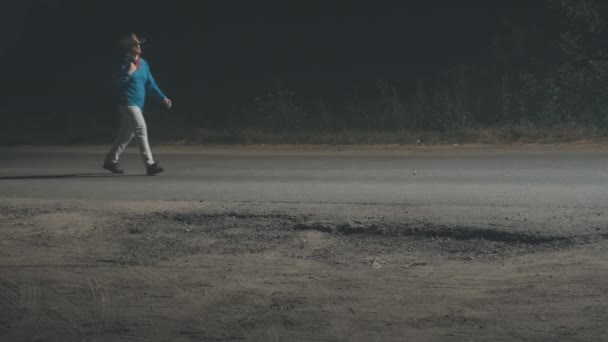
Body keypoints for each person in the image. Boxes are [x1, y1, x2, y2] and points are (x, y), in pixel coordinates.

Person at [103, 33, 172, 176]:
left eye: (138, 44)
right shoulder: (122, 64)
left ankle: (110, 161)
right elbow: (115, 85)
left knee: (126, 135)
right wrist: (128, 73)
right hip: (126, 102)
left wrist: (162, 97)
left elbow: (150, 83)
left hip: (138, 104)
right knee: (140, 128)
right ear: (129, 48)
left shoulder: (144, 63)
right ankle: (150, 164)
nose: (139, 47)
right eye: (135, 45)